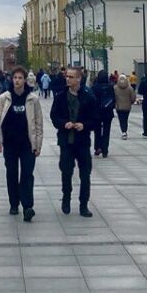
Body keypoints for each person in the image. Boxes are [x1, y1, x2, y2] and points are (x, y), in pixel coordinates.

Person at [0, 66, 44, 221]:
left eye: (20, 78)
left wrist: (38, 144)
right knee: (12, 173)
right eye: (15, 78)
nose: (17, 80)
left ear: (25, 80)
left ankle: (28, 206)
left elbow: (39, 123)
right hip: (10, 143)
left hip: (27, 143)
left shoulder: (32, 99)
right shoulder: (4, 98)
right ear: (11, 79)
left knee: (27, 174)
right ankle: (14, 203)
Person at [49, 66, 98, 217]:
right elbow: (54, 116)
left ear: (79, 79)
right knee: (66, 172)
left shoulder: (88, 97)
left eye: (71, 77)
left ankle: (84, 204)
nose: (67, 79)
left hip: (82, 141)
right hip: (66, 141)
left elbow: (96, 120)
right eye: (67, 76)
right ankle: (66, 198)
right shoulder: (60, 96)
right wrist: (64, 123)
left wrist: (84, 125)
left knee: (85, 173)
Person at [91, 70, 115, 157]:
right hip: (108, 112)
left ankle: (97, 147)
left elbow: (92, 100)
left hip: (97, 112)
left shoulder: (95, 87)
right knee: (106, 131)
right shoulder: (110, 87)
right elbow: (113, 98)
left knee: (97, 131)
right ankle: (105, 149)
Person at [114, 74, 136, 139]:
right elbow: (133, 98)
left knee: (121, 120)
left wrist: (115, 103)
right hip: (127, 107)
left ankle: (123, 132)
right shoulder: (130, 88)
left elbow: (113, 97)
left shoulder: (115, 88)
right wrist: (131, 102)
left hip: (119, 107)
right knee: (125, 119)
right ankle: (125, 131)